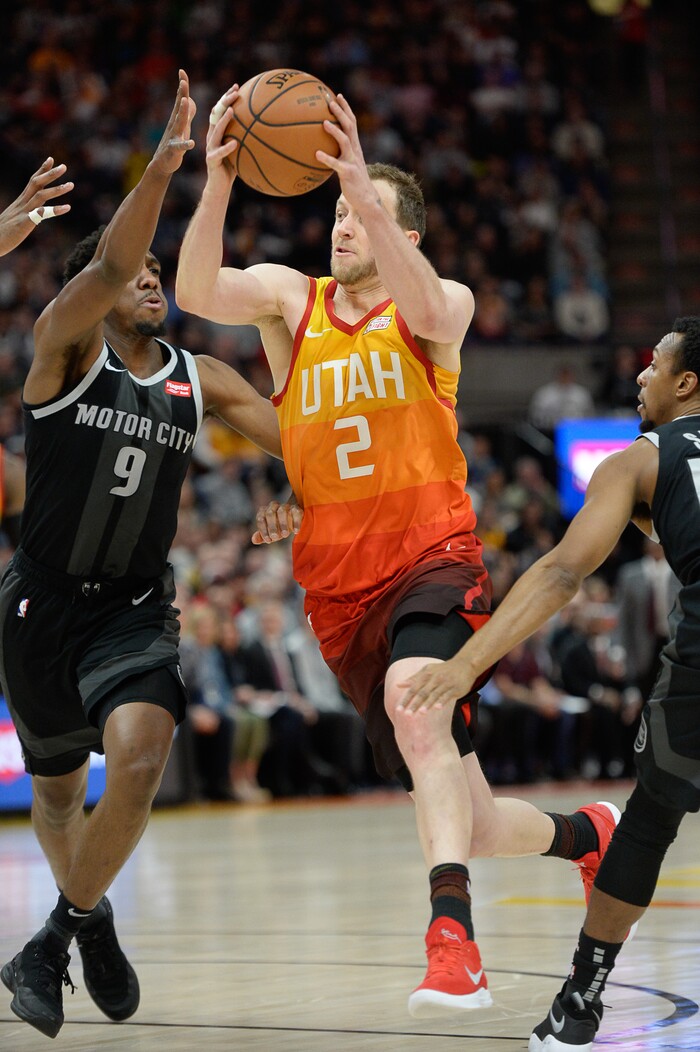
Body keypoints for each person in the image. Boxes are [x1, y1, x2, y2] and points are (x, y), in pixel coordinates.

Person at [177, 83, 619, 1019]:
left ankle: (453, 944)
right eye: (337, 211)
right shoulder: (292, 300)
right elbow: (196, 291)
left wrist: (364, 189)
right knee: (472, 815)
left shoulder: (438, 304)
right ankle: (590, 834)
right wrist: (216, 179)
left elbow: (431, 303)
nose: (341, 223)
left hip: (434, 560)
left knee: (415, 712)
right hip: (339, 591)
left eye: (360, 210)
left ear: (401, 232)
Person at [0, 71, 283, 1040]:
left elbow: (306, 444)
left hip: (132, 608)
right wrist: (163, 167)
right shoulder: (63, 350)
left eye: (163, 271)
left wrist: (298, 493)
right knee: (56, 795)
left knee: (140, 752)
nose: (153, 278)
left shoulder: (203, 379)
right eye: (138, 271)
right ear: (95, 294)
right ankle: (93, 916)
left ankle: (54, 935)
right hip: (40, 605)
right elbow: (113, 259)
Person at [398, 316, 700, 1050]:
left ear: (687, 383)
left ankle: (579, 1003)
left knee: (650, 820)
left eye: (654, 365)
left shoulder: (640, 460)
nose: (640, 376)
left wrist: (467, 663)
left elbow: (563, 571)